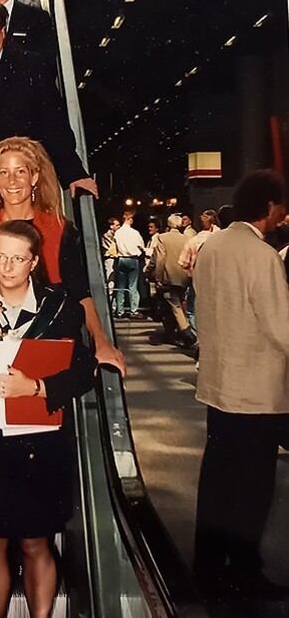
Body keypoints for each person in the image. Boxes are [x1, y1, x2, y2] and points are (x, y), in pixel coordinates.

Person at [0, 220, 97, 618]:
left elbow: (81, 370)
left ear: (33, 262)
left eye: (17, 258)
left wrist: (38, 388)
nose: (6, 267)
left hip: (36, 438)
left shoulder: (59, 306)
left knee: (35, 542)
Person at [192, 170, 289, 606]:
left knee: (218, 481)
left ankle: (208, 569)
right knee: (252, 488)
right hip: (257, 392)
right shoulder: (261, 255)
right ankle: (245, 572)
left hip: (218, 386)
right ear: (269, 207)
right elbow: (280, 328)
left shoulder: (212, 247)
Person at [0, 136, 126, 374]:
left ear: (34, 177)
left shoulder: (59, 229)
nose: (12, 180)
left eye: (20, 172)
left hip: (49, 337)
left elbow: (80, 292)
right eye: (4, 173)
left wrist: (101, 342)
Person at [0, 0, 96, 213]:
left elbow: (54, 124)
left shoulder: (31, 67)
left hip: (20, 191)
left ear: (3, 31)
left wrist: (74, 173)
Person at [152, 213, 196, 347]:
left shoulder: (162, 238)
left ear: (169, 225)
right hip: (183, 276)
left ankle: (186, 331)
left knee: (174, 305)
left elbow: (160, 259)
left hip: (168, 277)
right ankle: (172, 332)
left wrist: (158, 277)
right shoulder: (186, 239)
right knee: (179, 302)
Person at [178, 209, 219, 332]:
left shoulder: (193, 241)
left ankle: (198, 336)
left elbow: (183, 263)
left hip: (197, 280)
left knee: (192, 309)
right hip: (218, 280)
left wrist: (191, 272)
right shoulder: (221, 239)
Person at [113, 211, 145, 319]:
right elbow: (141, 246)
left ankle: (120, 311)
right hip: (133, 259)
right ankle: (133, 310)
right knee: (133, 286)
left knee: (120, 286)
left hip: (121, 259)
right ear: (130, 219)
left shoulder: (118, 233)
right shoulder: (135, 233)